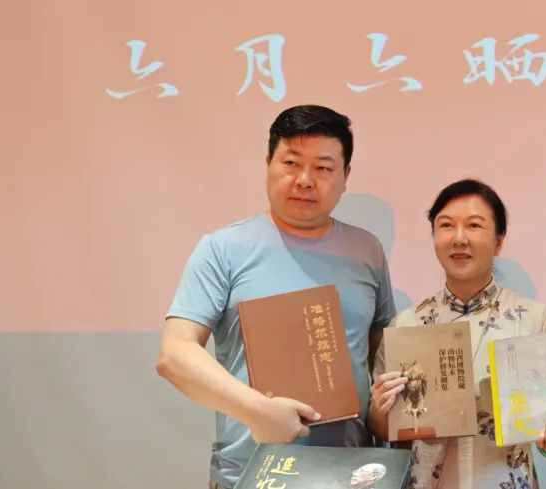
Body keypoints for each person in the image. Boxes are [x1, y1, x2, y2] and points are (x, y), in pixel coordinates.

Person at [155, 105, 396, 489]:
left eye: (323, 168)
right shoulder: (223, 248)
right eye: (291, 163)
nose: (305, 180)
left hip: (348, 475)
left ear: (345, 176)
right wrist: (258, 411)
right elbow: (174, 354)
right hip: (248, 475)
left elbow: (382, 357)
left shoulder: (366, 251)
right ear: (268, 164)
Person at [368, 179, 546, 489]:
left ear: (499, 241)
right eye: (446, 225)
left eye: (474, 225)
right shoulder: (405, 326)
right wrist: (379, 409)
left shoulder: (535, 321)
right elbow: (384, 431)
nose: (459, 238)